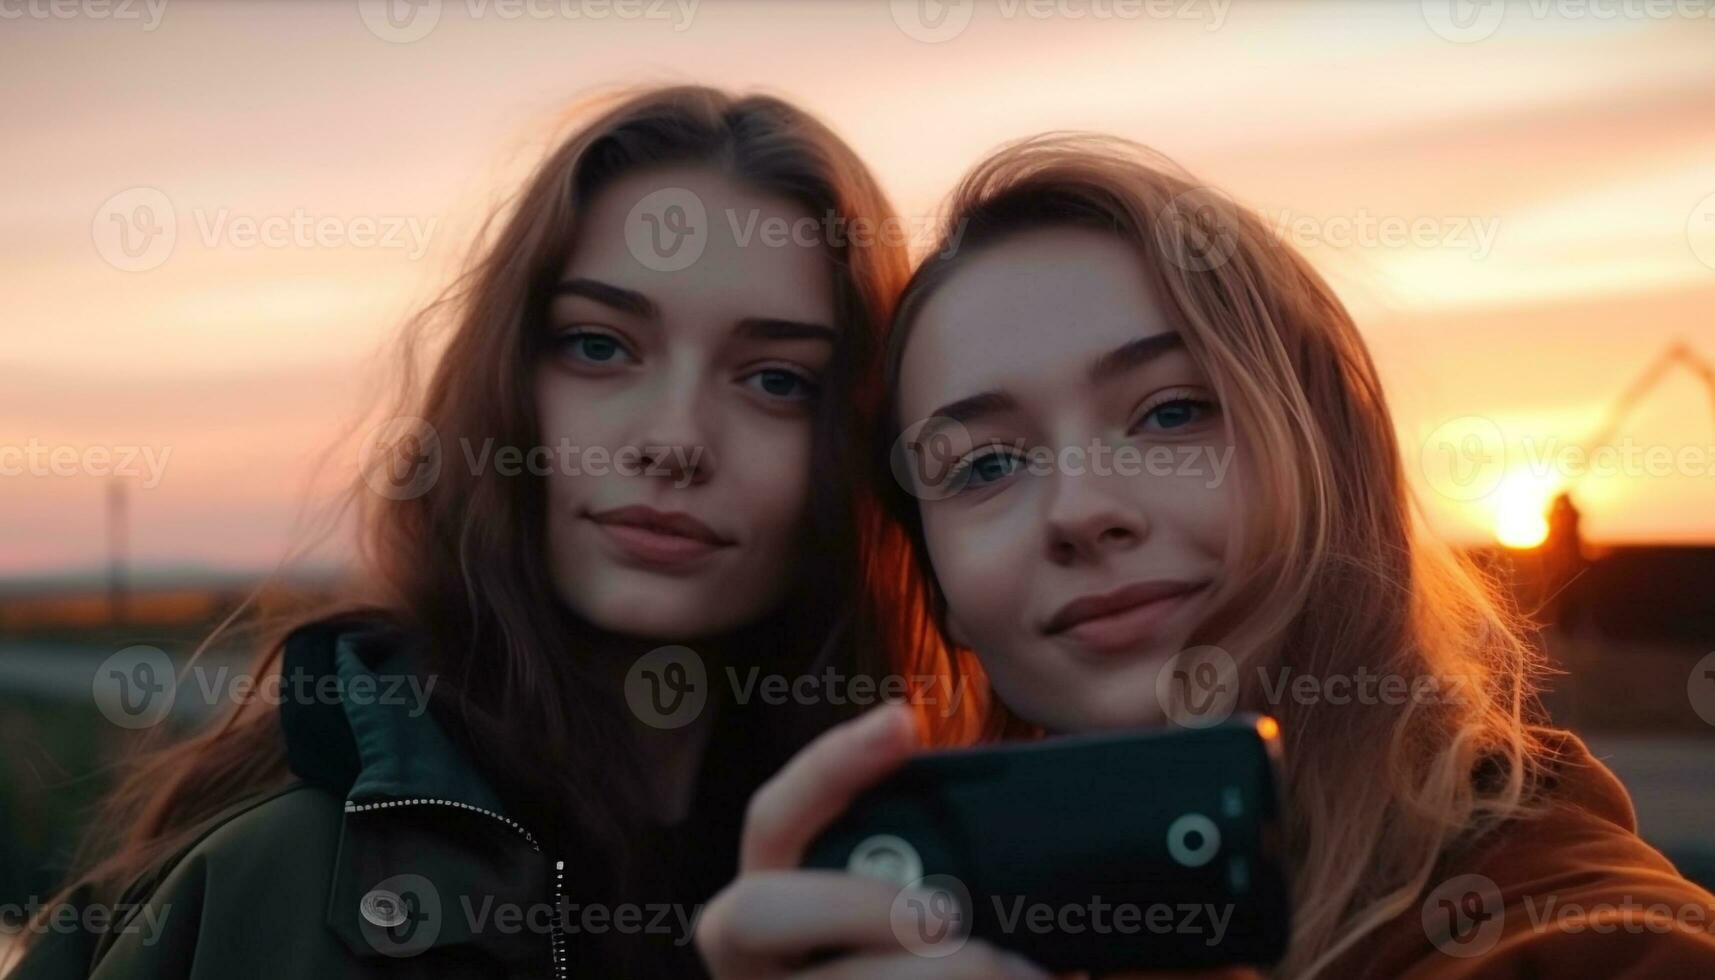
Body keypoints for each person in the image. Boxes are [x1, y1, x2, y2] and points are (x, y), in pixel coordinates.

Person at [695, 135, 1715, 979]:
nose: (1080, 509)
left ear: (1335, 463)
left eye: (1172, 411)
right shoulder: (938, 935)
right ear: (944, 592)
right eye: (984, 462)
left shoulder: (1604, 948)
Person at [8, 85, 926, 979]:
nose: (675, 442)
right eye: (599, 346)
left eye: (776, 380)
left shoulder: (928, 880)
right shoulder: (260, 889)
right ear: (501, 383)